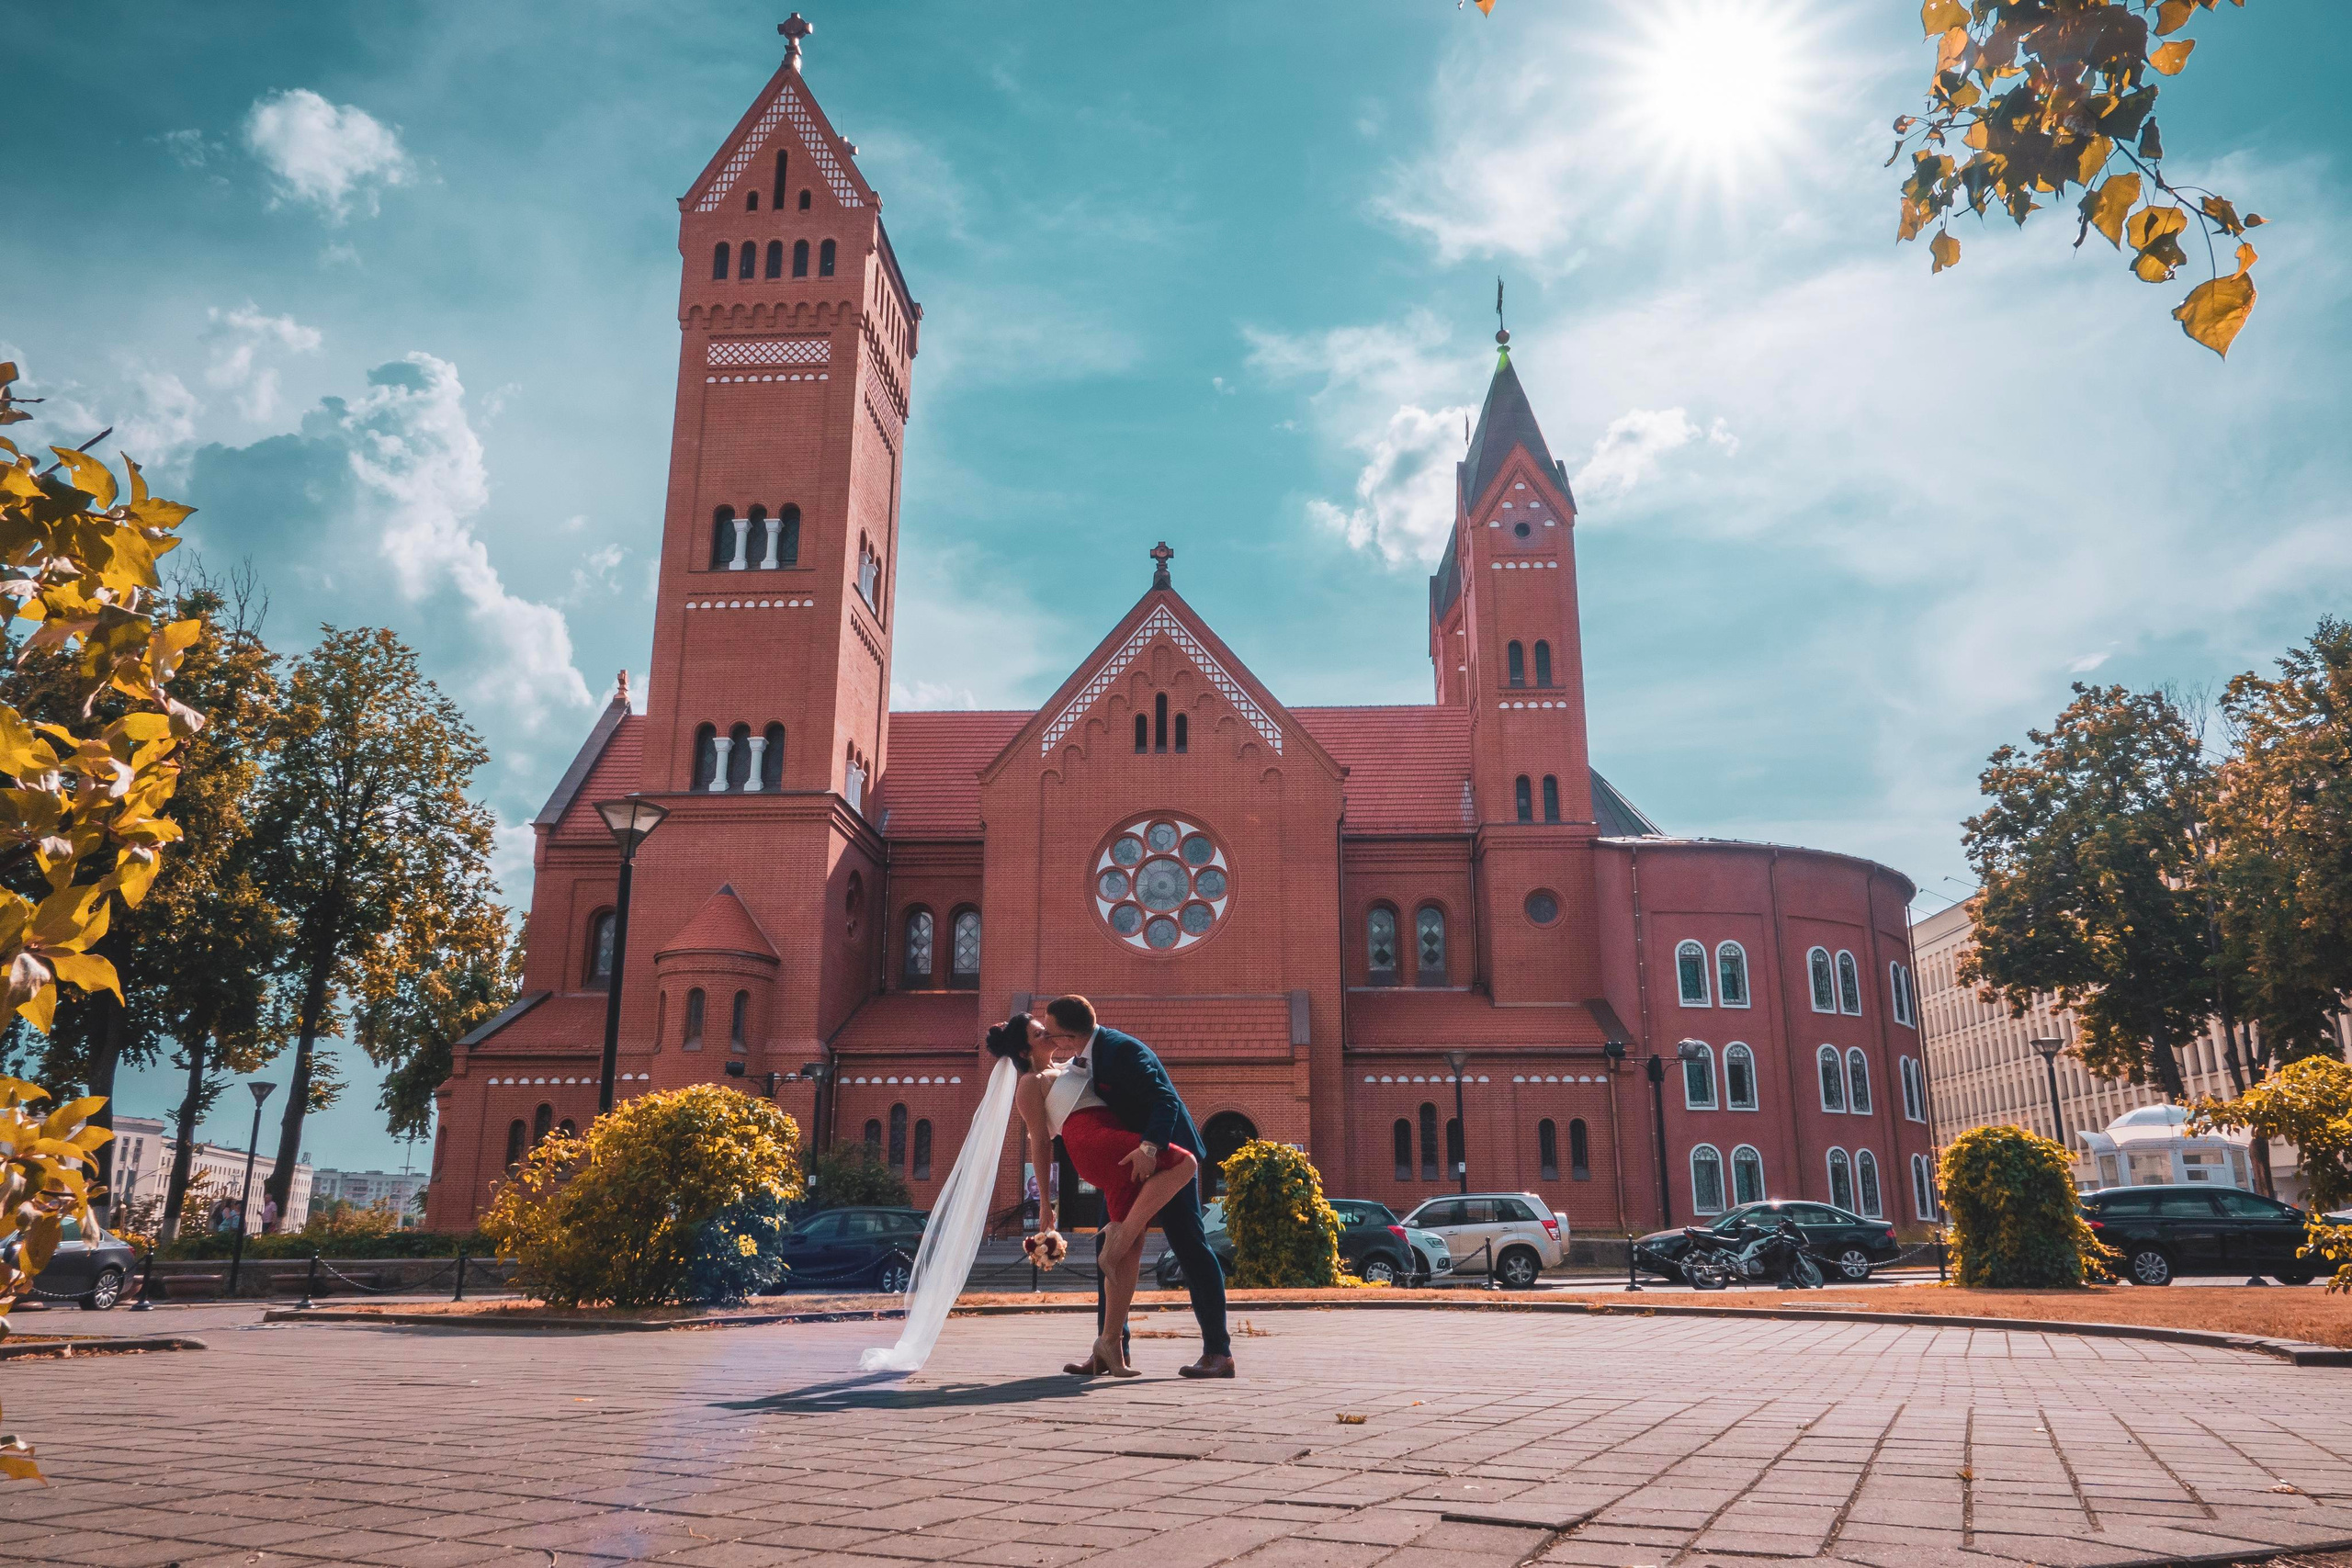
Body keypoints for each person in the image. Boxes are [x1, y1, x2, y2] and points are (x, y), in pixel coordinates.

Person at [989, 995, 1236, 1379]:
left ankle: (1218, 1352)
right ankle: (1110, 1346)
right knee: (1112, 1250)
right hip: (1121, 1156)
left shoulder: (1117, 1050)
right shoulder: (1071, 1062)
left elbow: (1165, 1100)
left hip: (1157, 1150)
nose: (1049, 1037)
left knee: (1190, 1248)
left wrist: (1149, 1148)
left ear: (1070, 1035)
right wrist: (1046, 1200)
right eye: (1041, 1033)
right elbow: (1043, 1134)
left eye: (1051, 1031)